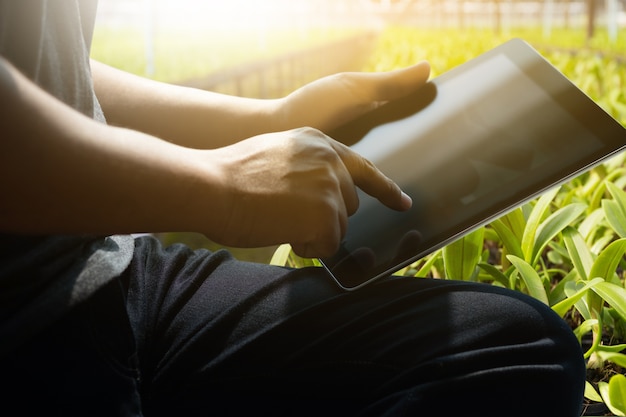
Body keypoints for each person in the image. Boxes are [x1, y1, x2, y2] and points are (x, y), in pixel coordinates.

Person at [0, 1, 585, 416]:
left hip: (109, 266)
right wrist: (219, 186)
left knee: (518, 349)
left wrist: (270, 120)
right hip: (31, 324)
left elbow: (54, 73)